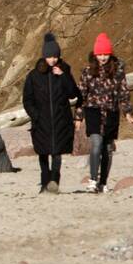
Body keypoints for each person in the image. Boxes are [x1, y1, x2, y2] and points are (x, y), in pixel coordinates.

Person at [75, 33, 133, 193]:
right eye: (100, 54)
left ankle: (103, 182)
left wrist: (128, 114)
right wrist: (78, 117)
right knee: (96, 145)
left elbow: (123, 93)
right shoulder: (88, 71)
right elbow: (81, 95)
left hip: (111, 112)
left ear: (109, 54)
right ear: (95, 54)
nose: (103, 57)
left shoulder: (118, 71)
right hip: (93, 112)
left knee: (108, 149)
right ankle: (92, 180)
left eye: (105, 54)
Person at [22, 33, 79, 194]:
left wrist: (64, 76)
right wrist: (35, 115)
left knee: (57, 152)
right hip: (41, 122)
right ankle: (44, 182)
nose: (53, 60)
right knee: (43, 152)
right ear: (44, 56)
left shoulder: (64, 71)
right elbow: (27, 99)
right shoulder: (33, 76)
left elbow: (72, 94)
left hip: (61, 120)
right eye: (50, 56)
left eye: (55, 56)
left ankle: (54, 181)